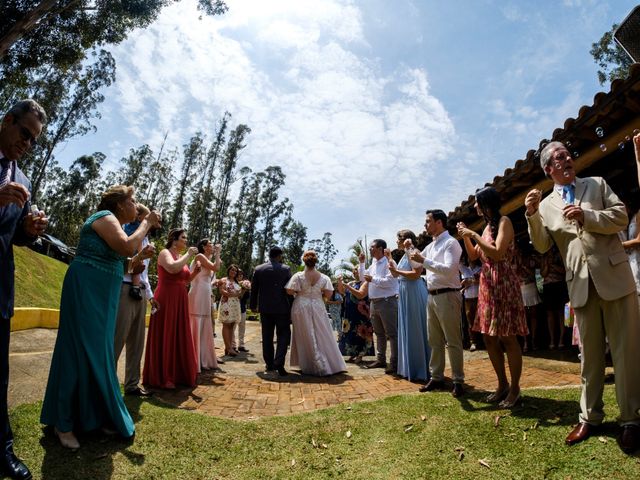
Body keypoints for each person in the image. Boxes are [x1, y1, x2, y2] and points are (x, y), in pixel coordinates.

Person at [525, 140, 640, 453]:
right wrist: (532, 214)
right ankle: (590, 417)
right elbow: (542, 246)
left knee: (625, 352)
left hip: (615, 278)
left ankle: (631, 419)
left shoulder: (597, 185)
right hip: (580, 285)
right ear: (549, 169)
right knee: (589, 357)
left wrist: (588, 217)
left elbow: (619, 216)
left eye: (568, 154)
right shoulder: (547, 205)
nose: (567, 158)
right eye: (559, 157)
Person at [41, 185, 160, 450]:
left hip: (105, 294)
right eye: (133, 200)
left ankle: (92, 416)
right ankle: (64, 422)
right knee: (77, 350)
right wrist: (147, 223)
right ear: (119, 205)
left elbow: (122, 260)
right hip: (87, 288)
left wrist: (139, 258)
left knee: (99, 353)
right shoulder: (105, 217)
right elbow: (126, 246)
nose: (136, 205)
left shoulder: (115, 223)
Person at [0, 99, 47, 479]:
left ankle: (2, 449)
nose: (27, 144)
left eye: (34, 141)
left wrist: (28, 232)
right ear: (7, 120)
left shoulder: (25, 181)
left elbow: (11, 234)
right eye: (25, 133)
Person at [458, 187, 528, 409]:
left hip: (504, 284)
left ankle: (515, 388)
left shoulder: (504, 221)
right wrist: (466, 237)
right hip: (487, 285)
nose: (475, 207)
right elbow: (473, 256)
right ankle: (502, 385)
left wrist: (475, 235)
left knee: (508, 337)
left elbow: (497, 252)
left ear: (487, 203)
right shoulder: (487, 227)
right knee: (489, 337)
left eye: (477, 203)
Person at [410, 209, 464, 397]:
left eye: (428, 221)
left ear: (439, 222)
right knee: (434, 340)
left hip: (448, 294)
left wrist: (423, 260)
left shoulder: (451, 243)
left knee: (453, 340)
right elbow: (416, 265)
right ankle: (437, 376)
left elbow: (449, 270)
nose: (425, 225)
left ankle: (458, 380)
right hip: (432, 295)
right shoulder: (431, 246)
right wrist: (410, 249)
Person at [143, 229, 200, 389]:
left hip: (180, 299)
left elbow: (186, 279)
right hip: (166, 298)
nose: (186, 241)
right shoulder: (164, 253)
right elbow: (173, 269)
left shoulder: (180, 257)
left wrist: (195, 272)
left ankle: (178, 374)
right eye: (183, 238)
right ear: (174, 240)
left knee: (178, 333)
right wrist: (189, 254)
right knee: (166, 333)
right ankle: (163, 376)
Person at [114, 203, 158, 397]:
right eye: (148, 217)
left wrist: (150, 295)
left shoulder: (145, 238)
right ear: (139, 216)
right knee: (118, 338)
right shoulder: (125, 233)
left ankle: (132, 384)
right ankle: (108, 383)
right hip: (124, 288)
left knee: (137, 340)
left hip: (139, 291)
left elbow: (144, 273)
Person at [286, 251, 347, 376]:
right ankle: (328, 362)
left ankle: (307, 363)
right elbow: (329, 295)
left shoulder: (298, 276)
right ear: (315, 261)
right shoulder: (324, 278)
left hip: (301, 306)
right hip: (318, 305)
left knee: (304, 333)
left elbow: (289, 291)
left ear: (304, 261)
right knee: (322, 332)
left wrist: (300, 292)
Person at [389, 230, 430, 382]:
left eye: (398, 239)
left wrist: (397, 271)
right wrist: (390, 261)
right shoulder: (404, 254)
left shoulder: (414, 252)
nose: (396, 242)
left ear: (405, 239)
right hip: (405, 293)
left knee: (416, 328)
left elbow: (416, 274)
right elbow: (395, 274)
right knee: (407, 328)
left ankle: (421, 368)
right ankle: (409, 367)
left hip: (414, 292)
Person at [358, 239, 399, 374]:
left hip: (387, 301)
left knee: (392, 334)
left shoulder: (389, 262)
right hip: (374, 302)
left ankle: (395, 362)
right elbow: (363, 278)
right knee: (379, 333)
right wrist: (362, 263)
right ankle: (381, 359)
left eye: (372, 247)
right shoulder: (374, 263)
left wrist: (373, 279)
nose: (370, 249)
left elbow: (390, 281)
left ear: (381, 248)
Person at [250, 246, 292, 376]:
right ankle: (279, 362)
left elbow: (254, 289)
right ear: (279, 256)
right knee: (283, 335)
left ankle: (269, 363)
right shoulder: (286, 269)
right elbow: (289, 291)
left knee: (267, 336)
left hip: (265, 308)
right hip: (282, 308)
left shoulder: (259, 269)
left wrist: (253, 305)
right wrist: (292, 307)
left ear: (269, 255)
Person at [188, 239, 221, 371]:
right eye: (210, 245)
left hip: (206, 292)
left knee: (205, 324)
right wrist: (218, 254)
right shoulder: (199, 256)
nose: (212, 246)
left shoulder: (206, 258)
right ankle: (194, 358)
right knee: (197, 322)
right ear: (204, 247)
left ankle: (204, 358)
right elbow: (216, 267)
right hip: (198, 292)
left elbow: (210, 275)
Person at [337, 266, 374, 363]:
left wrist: (349, 287)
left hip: (361, 313)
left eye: (356, 270)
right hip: (350, 313)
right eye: (354, 270)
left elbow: (361, 295)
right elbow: (342, 292)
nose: (354, 272)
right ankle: (352, 353)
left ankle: (360, 355)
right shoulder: (351, 283)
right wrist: (340, 282)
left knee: (361, 334)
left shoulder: (365, 282)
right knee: (351, 334)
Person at [514, 238, 542, 352]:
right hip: (520, 289)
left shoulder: (530, 259)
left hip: (531, 287)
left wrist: (524, 267)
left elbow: (534, 273)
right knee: (524, 316)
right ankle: (526, 341)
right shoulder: (512, 261)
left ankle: (534, 339)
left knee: (533, 314)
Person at [540, 245, 570, 350]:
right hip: (548, 286)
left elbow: (564, 271)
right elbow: (543, 274)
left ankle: (562, 339)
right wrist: (547, 265)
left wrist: (553, 265)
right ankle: (552, 340)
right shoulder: (544, 257)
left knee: (561, 313)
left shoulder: (560, 254)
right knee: (550, 314)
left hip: (559, 285)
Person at [217, 264, 242, 357]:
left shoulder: (238, 282)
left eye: (235, 271)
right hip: (226, 304)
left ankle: (228, 347)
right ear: (228, 271)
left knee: (232, 325)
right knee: (226, 324)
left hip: (235, 304)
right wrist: (231, 294)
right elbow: (221, 291)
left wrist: (242, 290)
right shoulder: (224, 280)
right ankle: (229, 348)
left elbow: (240, 294)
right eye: (232, 270)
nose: (233, 272)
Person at [459, 252, 482, 351]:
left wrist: (470, 281)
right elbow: (458, 263)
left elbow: (481, 281)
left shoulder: (480, 268)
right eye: (468, 257)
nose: (470, 258)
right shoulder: (465, 269)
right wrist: (465, 283)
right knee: (470, 321)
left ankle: (484, 341)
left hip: (478, 298)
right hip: (468, 299)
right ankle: (474, 342)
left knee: (481, 320)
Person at [233, 269, 251, 353]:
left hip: (242, 308)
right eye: (238, 275)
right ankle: (233, 345)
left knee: (242, 326)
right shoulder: (233, 284)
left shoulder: (246, 285)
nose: (240, 276)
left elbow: (245, 298)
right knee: (233, 327)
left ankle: (241, 345)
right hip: (233, 308)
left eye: (241, 275)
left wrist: (244, 288)